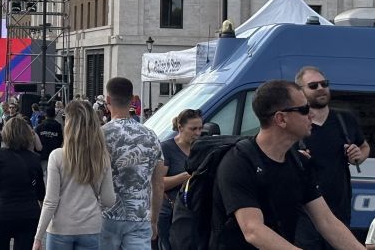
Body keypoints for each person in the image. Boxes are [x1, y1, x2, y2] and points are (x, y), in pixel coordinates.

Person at [212, 80, 364, 249]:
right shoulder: (237, 162)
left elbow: (327, 222)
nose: (312, 115)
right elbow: (253, 230)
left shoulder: (300, 163)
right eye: (304, 109)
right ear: (281, 119)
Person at [295, 67, 370, 249]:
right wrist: (296, 159)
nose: (321, 88)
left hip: (339, 212)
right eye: (313, 85)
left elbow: (364, 146)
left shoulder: (345, 119)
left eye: (324, 84)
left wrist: (358, 155)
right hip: (305, 214)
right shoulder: (295, 124)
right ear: (300, 91)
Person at [32, 100, 116, 250]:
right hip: (91, 227)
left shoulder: (57, 156)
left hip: (60, 228)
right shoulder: (102, 157)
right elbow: (109, 200)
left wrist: (38, 237)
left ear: (68, 124)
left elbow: (50, 201)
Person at [101, 77, 165, 250]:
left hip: (106, 215)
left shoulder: (100, 135)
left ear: (108, 100)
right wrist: (154, 220)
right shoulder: (151, 136)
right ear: (132, 100)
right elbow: (158, 184)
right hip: (139, 215)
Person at [0, 116, 46, 250]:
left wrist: (3, 192)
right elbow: (41, 191)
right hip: (28, 213)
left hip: (3, 211)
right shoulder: (34, 158)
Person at [157, 109, 202, 250]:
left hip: (193, 211)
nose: (198, 133)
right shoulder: (166, 148)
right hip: (170, 213)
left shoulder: (201, 148)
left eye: (200, 128)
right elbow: (159, 183)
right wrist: (187, 176)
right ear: (180, 127)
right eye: (193, 129)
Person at [36, 105, 64, 181]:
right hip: (54, 154)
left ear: (45, 115)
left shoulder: (39, 126)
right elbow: (61, 139)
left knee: (41, 175)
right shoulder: (58, 126)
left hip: (42, 154)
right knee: (53, 176)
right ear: (54, 115)